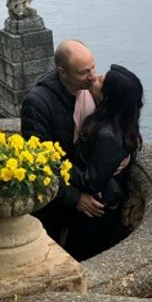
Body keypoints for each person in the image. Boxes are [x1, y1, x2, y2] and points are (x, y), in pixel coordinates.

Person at [20, 39, 105, 240]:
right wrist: (75, 198)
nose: (92, 77)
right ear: (62, 72)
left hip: (86, 189)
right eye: (84, 72)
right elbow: (42, 161)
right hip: (55, 204)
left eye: (93, 68)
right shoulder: (38, 103)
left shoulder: (93, 91)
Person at [64, 64, 144, 261]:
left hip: (94, 218)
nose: (95, 78)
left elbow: (92, 182)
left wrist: (59, 164)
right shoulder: (115, 123)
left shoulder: (108, 136)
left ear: (108, 97)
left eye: (101, 80)